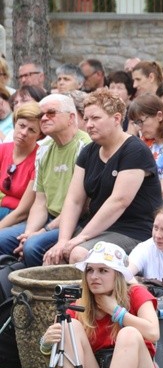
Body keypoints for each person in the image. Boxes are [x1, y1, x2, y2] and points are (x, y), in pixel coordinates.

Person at [40, 241, 161, 368]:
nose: (94, 277)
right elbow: (57, 349)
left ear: (118, 275)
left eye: (103, 270)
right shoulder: (80, 303)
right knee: (67, 326)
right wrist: (46, 343)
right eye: (90, 270)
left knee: (129, 333)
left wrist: (117, 312)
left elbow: (153, 333)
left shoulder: (136, 293)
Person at [42, 89, 162, 265]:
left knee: (79, 255)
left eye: (95, 118)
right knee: (52, 258)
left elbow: (119, 201)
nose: (89, 124)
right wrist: (62, 241)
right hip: (98, 227)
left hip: (132, 230)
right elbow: (74, 200)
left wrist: (81, 238)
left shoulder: (135, 151)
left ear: (116, 119)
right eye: (87, 119)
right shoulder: (88, 151)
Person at [0, 95, 91, 266]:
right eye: (42, 114)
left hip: (75, 222)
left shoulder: (84, 147)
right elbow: (40, 203)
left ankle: (39, 289)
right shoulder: (45, 150)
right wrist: (28, 233)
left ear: (71, 117)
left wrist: (41, 231)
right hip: (49, 218)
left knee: (32, 247)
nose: (44, 118)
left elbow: (80, 206)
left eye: (51, 113)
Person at [128, 94, 163, 203]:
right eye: (136, 123)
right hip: (144, 202)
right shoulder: (145, 141)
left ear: (159, 116)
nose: (139, 128)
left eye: (141, 121)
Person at [0, 102, 42, 220]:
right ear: (15, 124)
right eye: (22, 125)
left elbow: (24, 211)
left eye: (32, 130)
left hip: (21, 217)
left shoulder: (39, 159)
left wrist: (5, 200)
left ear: (40, 135)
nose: (24, 133)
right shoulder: (3, 149)